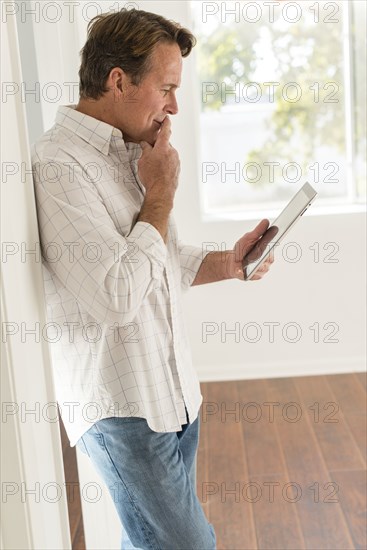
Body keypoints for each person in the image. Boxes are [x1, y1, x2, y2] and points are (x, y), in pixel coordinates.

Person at [32, 8, 273, 550]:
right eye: (166, 87)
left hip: (173, 395)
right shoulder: (59, 164)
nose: (174, 106)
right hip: (123, 410)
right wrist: (160, 192)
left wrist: (230, 263)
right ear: (119, 80)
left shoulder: (134, 150)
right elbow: (117, 294)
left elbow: (157, 260)